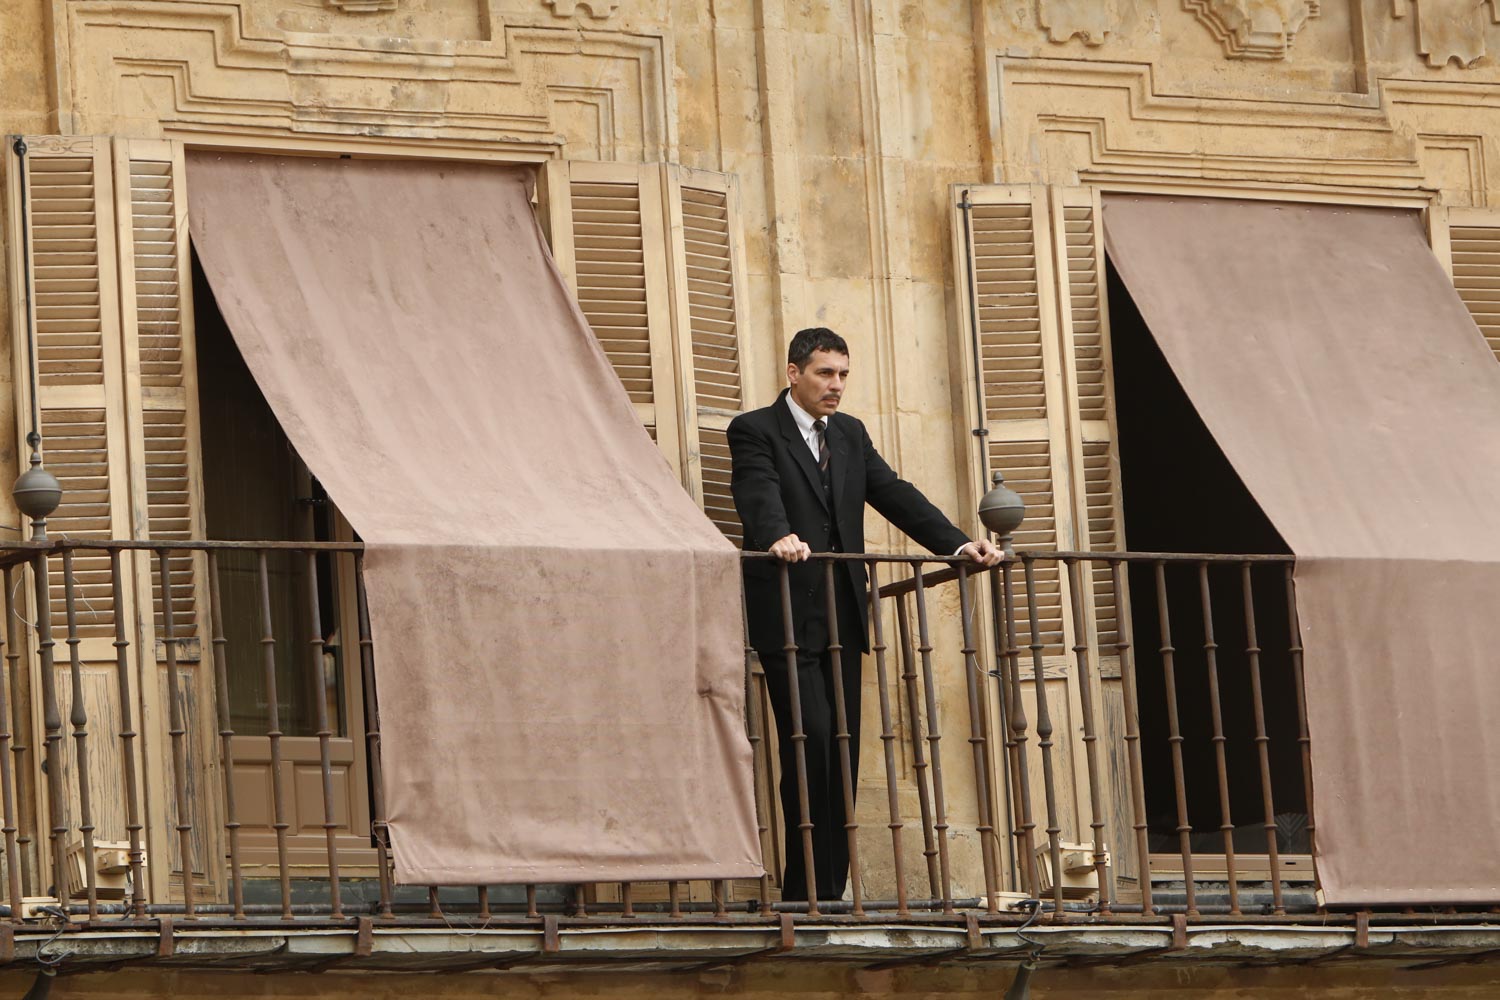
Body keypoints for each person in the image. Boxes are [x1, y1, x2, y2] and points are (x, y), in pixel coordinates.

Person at [728, 326, 1003, 902]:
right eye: (825, 373)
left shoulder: (850, 434)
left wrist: (956, 545)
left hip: (843, 614)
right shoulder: (755, 429)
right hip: (787, 609)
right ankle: (804, 894)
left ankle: (824, 891)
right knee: (813, 740)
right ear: (793, 373)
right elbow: (757, 492)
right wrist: (777, 534)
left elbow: (893, 492)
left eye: (843, 374)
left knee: (842, 750)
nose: (836, 385)